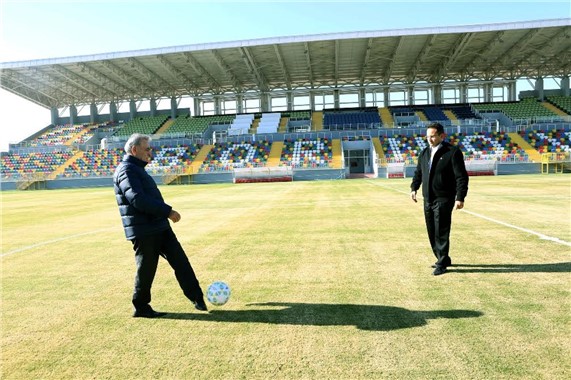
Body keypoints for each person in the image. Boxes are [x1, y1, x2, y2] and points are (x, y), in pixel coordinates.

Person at [113, 133, 208, 318]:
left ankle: (197, 298)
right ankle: (140, 307)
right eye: (147, 149)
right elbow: (137, 199)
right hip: (144, 230)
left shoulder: (137, 169)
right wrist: (168, 212)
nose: (151, 152)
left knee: (181, 262)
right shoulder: (127, 170)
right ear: (134, 150)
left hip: (159, 226)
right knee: (146, 270)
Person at [410, 123, 469, 276]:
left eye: (433, 136)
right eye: (428, 136)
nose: (429, 139)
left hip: (444, 198)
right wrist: (414, 188)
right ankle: (442, 257)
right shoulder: (424, 153)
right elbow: (419, 173)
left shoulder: (452, 152)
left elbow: (461, 177)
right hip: (427, 198)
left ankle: (441, 262)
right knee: (431, 230)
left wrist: (460, 197)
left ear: (442, 136)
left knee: (441, 230)